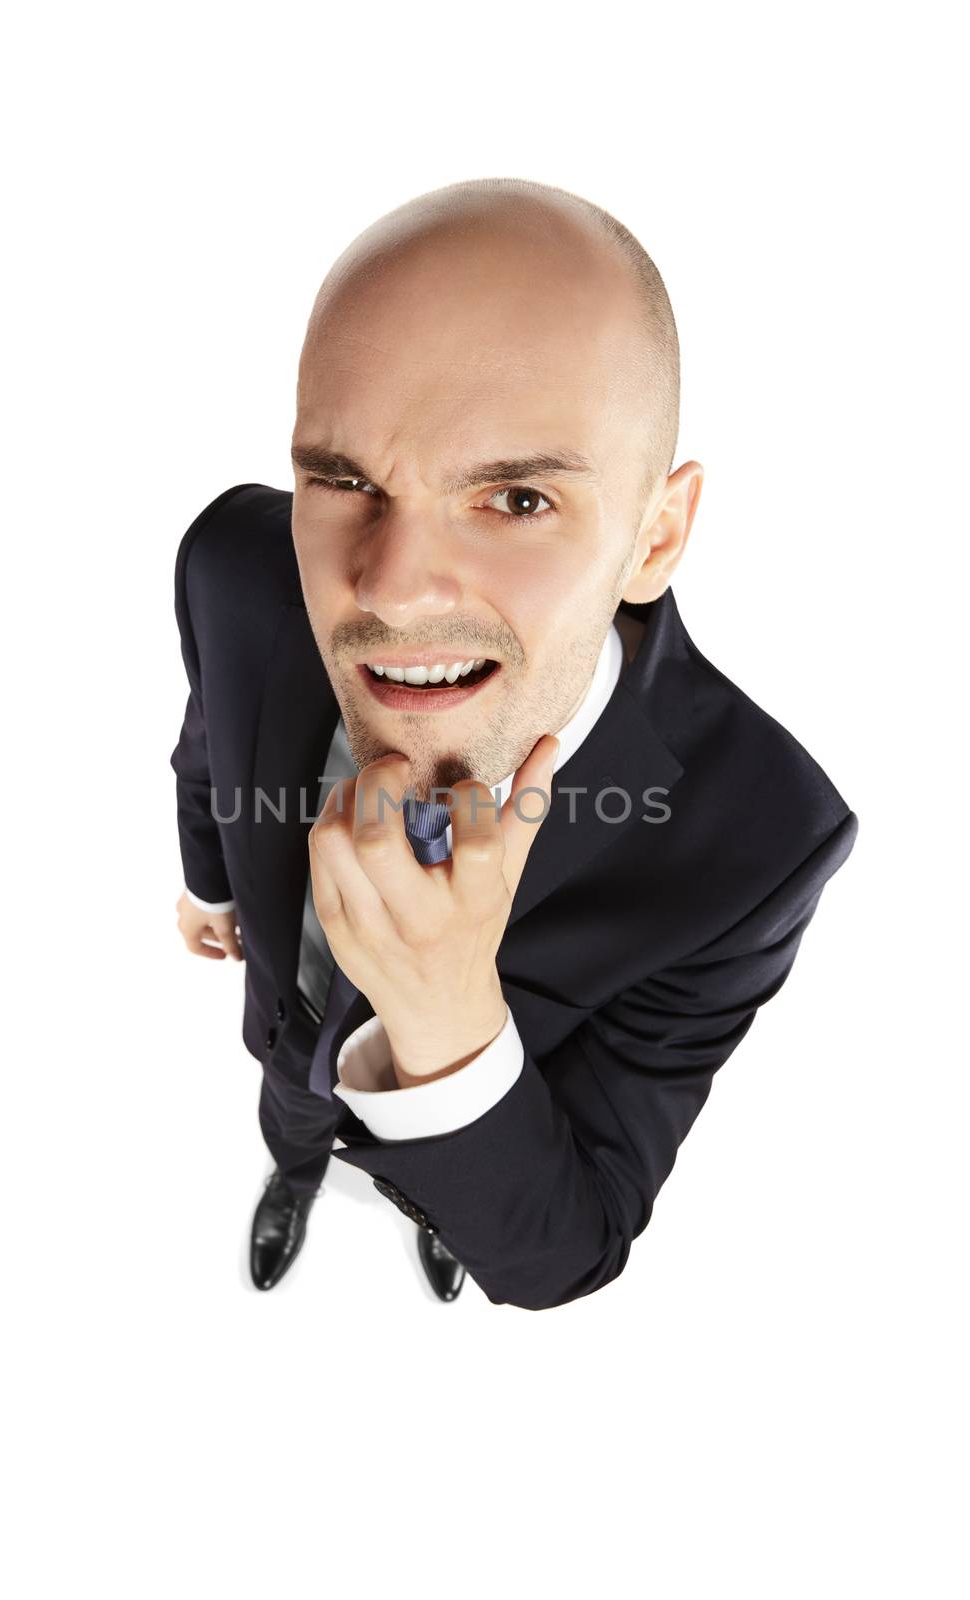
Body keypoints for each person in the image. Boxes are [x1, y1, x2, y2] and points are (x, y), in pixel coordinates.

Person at [171, 176, 858, 1311]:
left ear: (656, 535)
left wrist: (440, 1025)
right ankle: (291, 1180)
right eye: (344, 479)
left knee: (455, 1193)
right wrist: (209, 885)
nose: (386, 590)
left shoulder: (763, 837)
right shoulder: (235, 566)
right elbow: (208, 738)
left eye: (516, 500)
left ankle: (430, 1211)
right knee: (290, 1119)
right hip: (279, 1030)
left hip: (486, 1113)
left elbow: (560, 1249)